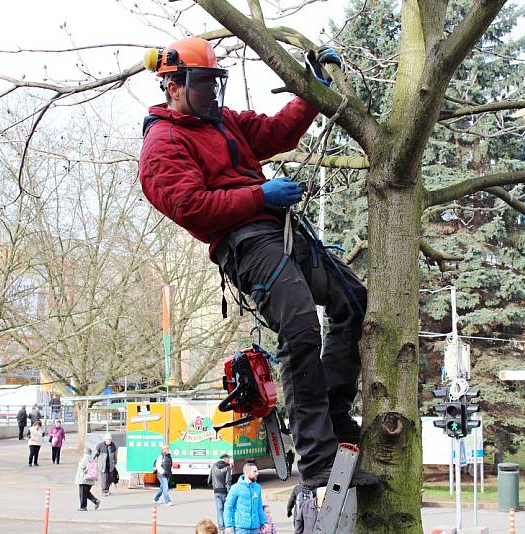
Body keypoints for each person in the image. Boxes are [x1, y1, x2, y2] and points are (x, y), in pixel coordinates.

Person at [138, 37, 376, 490]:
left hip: (279, 228)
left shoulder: (222, 120)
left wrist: (314, 86)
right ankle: (316, 457)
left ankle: (332, 412)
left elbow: (277, 132)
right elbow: (192, 206)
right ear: (172, 85)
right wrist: (259, 195)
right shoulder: (163, 145)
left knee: (353, 300)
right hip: (246, 241)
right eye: (203, 84)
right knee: (301, 324)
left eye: (215, 83)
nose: (212, 93)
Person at [223, 462, 266, 534]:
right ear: (247, 472)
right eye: (254, 471)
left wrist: (264, 523)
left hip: (255, 528)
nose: (257, 473)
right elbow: (228, 507)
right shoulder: (236, 488)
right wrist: (228, 526)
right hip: (240, 529)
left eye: (257, 471)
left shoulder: (257, 487)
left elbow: (259, 507)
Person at [209, 454, 233, 529]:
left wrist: (213, 487)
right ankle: (226, 525)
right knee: (226, 509)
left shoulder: (213, 466)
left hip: (216, 491)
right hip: (224, 491)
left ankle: (221, 526)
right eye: (228, 458)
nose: (229, 460)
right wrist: (229, 492)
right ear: (224, 459)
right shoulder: (227, 467)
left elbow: (209, 479)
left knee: (219, 509)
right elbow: (228, 481)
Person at [74, 446, 100, 511]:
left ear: (85, 452)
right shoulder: (92, 459)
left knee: (82, 493)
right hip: (91, 479)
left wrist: (79, 462)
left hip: (84, 479)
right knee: (86, 492)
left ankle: (83, 507)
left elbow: (82, 466)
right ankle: (95, 501)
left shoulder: (85, 458)